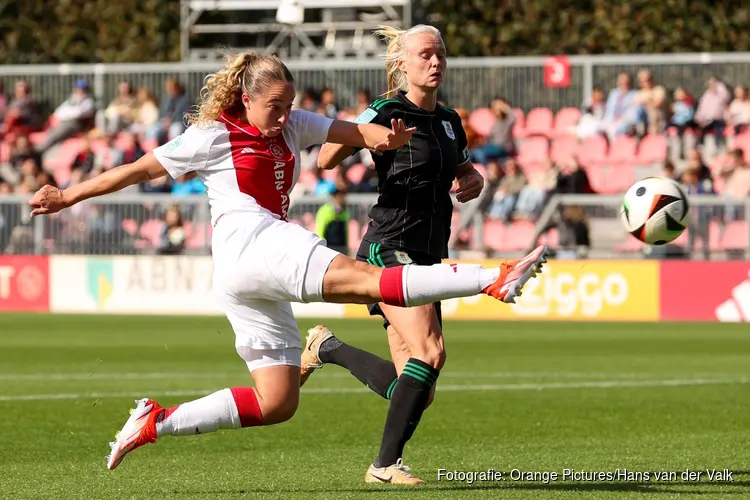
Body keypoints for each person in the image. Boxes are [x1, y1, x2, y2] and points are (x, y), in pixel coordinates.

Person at [28, 52, 548, 473]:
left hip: (246, 273)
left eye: (289, 105)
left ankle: (155, 422)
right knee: (369, 281)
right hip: (252, 243)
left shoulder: (294, 123)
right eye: (273, 106)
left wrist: (383, 138)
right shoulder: (211, 136)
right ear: (245, 98)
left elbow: (349, 132)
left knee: (277, 402)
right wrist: (68, 196)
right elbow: (138, 170)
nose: (282, 116)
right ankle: (493, 277)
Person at [300, 24, 549, 485]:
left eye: (440, 56)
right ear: (403, 65)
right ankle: (384, 467)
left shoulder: (452, 120)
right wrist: (376, 138)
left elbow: (464, 173)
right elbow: (326, 158)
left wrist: (474, 181)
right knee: (430, 353)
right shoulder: (387, 108)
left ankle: (326, 347)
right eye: (425, 56)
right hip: (388, 250)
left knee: (416, 389)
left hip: (430, 258)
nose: (435, 63)